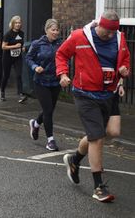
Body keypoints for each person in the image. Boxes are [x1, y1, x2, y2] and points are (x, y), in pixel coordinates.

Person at [56, 10, 130, 202]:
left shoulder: (119, 39)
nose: (110, 35)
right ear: (100, 25)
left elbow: (125, 61)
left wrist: (123, 74)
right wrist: (63, 74)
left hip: (110, 93)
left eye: (114, 32)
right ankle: (98, 187)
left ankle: (75, 159)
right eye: (108, 32)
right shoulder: (80, 36)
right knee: (97, 138)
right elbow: (61, 54)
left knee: (111, 132)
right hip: (85, 94)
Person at [26, 19, 62, 151]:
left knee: (50, 109)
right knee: (48, 111)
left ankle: (35, 123)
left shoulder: (60, 44)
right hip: (41, 81)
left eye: (57, 30)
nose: (56, 32)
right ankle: (50, 140)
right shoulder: (37, 44)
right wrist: (35, 67)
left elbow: (64, 58)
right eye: (53, 30)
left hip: (56, 81)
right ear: (46, 30)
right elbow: (28, 58)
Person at [0, 15, 27, 103]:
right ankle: (2, 91)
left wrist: (22, 48)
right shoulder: (8, 34)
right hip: (7, 57)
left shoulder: (21, 33)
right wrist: (15, 46)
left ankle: (20, 94)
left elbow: (21, 44)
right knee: (6, 76)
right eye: (16, 23)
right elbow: (3, 47)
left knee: (19, 75)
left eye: (19, 23)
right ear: (13, 24)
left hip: (17, 57)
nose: (18, 24)